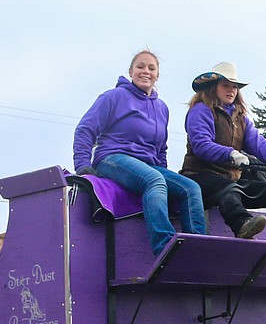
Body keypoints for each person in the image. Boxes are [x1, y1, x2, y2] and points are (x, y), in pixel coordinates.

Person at [73, 50, 206, 255]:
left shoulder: (162, 108)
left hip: (148, 165)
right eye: (140, 67)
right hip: (113, 158)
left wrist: (165, 176)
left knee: (190, 188)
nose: (146, 71)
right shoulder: (113, 97)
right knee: (154, 180)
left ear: (157, 75)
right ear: (131, 71)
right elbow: (86, 129)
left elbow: (161, 148)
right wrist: (82, 164)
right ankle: (166, 247)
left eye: (151, 68)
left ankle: (197, 250)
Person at [182, 61, 266, 243]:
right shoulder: (200, 111)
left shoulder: (240, 117)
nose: (231, 90)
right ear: (213, 88)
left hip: (230, 181)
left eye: (235, 87)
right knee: (229, 189)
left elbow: (257, 142)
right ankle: (242, 225)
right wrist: (231, 154)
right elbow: (201, 145)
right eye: (225, 86)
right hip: (199, 177)